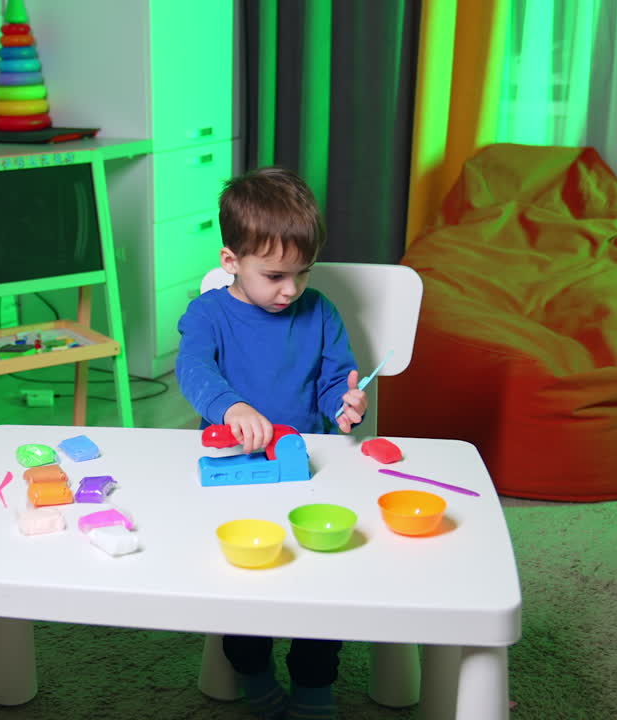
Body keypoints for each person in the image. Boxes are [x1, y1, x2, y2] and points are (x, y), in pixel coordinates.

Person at [176, 166, 367, 720]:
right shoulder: (208, 314)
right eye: (276, 275)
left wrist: (345, 403)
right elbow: (193, 369)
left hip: (309, 467)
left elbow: (337, 379)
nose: (291, 290)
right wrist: (231, 407)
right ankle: (253, 673)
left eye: (302, 274)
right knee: (247, 581)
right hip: (238, 471)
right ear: (231, 262)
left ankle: (314, 685)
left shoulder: (320, 312)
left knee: (322, 578)